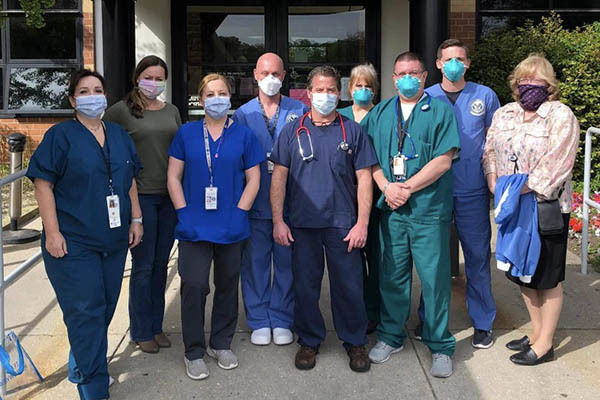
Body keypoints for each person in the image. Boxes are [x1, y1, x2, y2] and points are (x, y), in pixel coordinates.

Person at [27, 69, 143, 400]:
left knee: (104, 307)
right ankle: (93, 387)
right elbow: (42, 183)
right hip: (72, 241)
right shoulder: (60, 136)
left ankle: (80, 364)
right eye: (84, 90)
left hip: (114, 238)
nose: (92, 95)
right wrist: (52, 233)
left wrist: (136, 218)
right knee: (87, 311)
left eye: (97, 89)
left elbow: (130, 178)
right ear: (72, 100)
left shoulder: (119, 135)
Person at [270, 65, 378, 373]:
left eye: (332, 90)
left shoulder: (352, 130)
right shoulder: (293, 130)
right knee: (305, 286)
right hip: (302, 223)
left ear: (340, 93)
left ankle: (355, 342)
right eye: (320, 90)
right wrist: (278, 220)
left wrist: (362, 223)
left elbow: (365, 178)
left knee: (350, 286)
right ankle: (309, 340)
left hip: (343, 223)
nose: (326, 95)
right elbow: (278, 177)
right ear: (308, 92)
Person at [363, 52, 460, 378]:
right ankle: (391, 335)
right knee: (392, 276)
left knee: (434, 281)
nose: (407, 78)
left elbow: (444, 159)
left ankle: (440, 344)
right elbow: (370, 158)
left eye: (413, 73)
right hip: (392, 211)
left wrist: (407, 188)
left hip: (428, 211)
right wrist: (387, 187)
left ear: (424, 77)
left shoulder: (440, 111)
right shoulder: (380, 113)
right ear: (393, 78)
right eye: (401, 73)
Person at [482, 54, 579, 365]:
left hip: (543, 205)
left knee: (546, 275)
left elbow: (559, 163)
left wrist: (515, 188)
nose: (530, 86)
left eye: (537, 82)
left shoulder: (560, 115)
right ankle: (536, 332)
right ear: (516, 84)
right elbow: (489, 150)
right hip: (511, 207)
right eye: (524, 81)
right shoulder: (505, 113)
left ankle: (545, 344)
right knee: (522, 273)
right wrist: (493, 179)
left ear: (549, 85)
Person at [167, 73, 264, 380]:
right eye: (211, 94)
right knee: (194, 286)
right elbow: (173, 177)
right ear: (201, 99)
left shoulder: (245, 135)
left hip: (231, 224)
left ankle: (220, 343)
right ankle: (193, 350)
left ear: (230, 98)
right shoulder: (186, 133)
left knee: (227, 285)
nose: (217, 98)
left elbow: (255, 178)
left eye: (222, 92)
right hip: (194, 224)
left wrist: (240, 212)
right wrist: (182, 211)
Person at [417, 39, 501, 348]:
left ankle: (482, 322)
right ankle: (428, 317)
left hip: (472, 190)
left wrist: (496, 183)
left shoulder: (485, 96)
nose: (455, 63)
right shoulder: (426, 97)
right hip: (435, 190)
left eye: (460, 59)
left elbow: (495, 143)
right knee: (432, 258)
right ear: (438, 64)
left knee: (477, 256)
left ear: (467, 63)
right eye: (448, 59)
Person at [104, 55, 182, 354]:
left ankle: (156, 325)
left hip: (170, 197)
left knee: (162, 264)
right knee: (143, 265)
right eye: (148, 76)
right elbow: (100, 139)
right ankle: (140, 330)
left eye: (159, 77)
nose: (153, 83)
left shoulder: (172, 110)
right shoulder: (121, 112)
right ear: (137, 77)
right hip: (141, 197)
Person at [233, 53, 308, 346]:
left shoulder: (299, 110)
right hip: (254, 202)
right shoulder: (242, 115)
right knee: (255, 264)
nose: (271, 78)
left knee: (287, 265)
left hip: (291, 201)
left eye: (276, 73)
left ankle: (282, 318)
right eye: (265, 72)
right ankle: (259, 319)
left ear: (285, 75)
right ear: (255, 74)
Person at [337, 63, 381, 334]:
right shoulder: (339, 116)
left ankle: (373, 312)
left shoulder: (384, 115)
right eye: (358, 86)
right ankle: (351, 311)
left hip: (375, 198)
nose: (363, 90)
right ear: (349, 89)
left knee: (376, 260)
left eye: (368, 86)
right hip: (343, 198)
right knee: (349, 262)